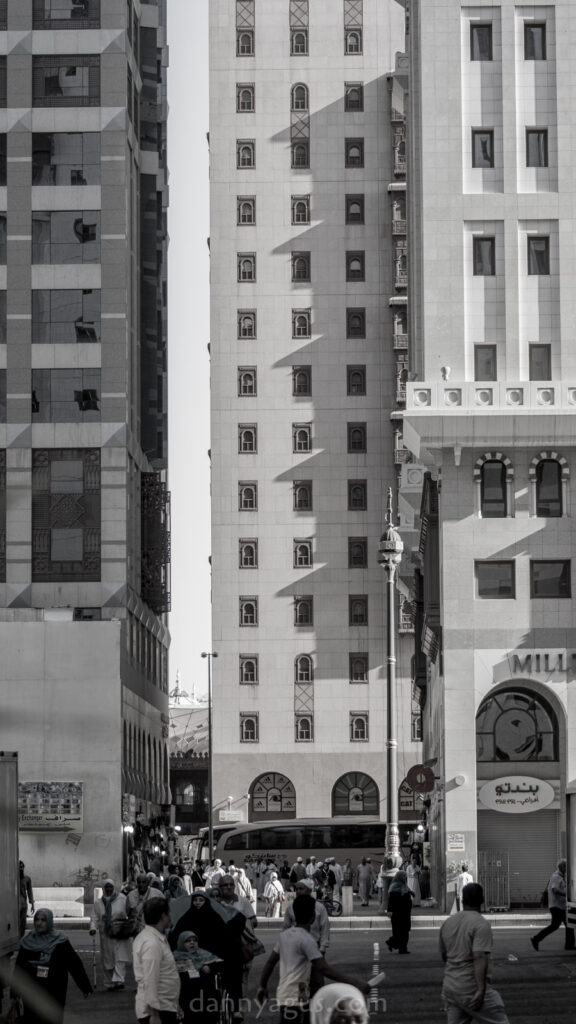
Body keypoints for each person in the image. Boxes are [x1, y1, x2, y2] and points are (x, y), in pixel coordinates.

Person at [257, 895, 370, 1024]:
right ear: (313, 917)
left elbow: (270, 962)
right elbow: (323, 968)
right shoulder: (307, 940)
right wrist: (355, 983)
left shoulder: (285, 936)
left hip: (285, 993)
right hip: (297, 997)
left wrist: (262, 985)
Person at [439, 882, 510, 1024]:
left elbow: (444, 955)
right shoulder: (480, 924)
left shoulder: (448, 923)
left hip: (450, 988)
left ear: (462, 900)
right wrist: (481, 989)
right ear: (482, 900)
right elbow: (479, 956)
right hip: (470, 988)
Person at [9, 908, 92, 1024]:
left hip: (54, 991)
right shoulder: (27, 941)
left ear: (50, 921)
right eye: (37, 919)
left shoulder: (60, 941)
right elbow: (19, 969)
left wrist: (84, 986)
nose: (39, 923)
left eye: (43, 920)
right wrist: (14, 994)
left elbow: (74, 964)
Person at [133, 897, 180, 1024]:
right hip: (156, 1010)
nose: (170, 917)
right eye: (168, 914)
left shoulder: (155, 937)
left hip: (166, 1006)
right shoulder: (151, 943)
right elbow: (150, 978)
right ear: (163, 916)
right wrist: (154, 1014)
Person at [283, 879, 330, 995]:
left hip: (316, 949)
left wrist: (322, 948)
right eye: (296, 889)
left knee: (317, 980)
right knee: (300, 983)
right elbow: (285, 928)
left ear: (309, 890)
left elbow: (325, 928)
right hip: (297, 951)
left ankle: (317, 1006)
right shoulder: (290, 908)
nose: (298, 891)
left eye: (301, 888)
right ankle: (303, 1008)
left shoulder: (319, 908)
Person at [89, 878, 132, 989]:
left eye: (110, 887)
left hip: (119, 931)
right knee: (107, 958)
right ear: (103, 888)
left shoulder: (122, 899)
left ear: (114, 887)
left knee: (119, 956)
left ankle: (119, 980)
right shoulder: (98, 903)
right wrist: (93, 927)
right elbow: (94, 917)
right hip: (106, 934)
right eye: (106, 887)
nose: (108, 889)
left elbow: (130, 912)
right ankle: (109, 982)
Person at [173, 931, 222, 1024]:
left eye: (194, 940)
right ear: (181, 943)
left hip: (205, 991)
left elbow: (217, 965)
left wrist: (207, 968)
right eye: (188, 941)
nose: (192, 943)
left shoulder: (204, 954)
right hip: (184, 992)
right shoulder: (175, 957)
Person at [531, 859, 575, 952]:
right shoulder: (556, 876)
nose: (567, 869)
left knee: (567, 925)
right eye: (565, 867)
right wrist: (566, 895)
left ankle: (569, 945)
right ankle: (536, 939)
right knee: (556, 925)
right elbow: (555, 889)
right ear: (561, 867)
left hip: (561, 906)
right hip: (556, 907)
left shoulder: (561, 876)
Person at [386, 870, 412, 954]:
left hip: (405, 913)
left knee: (405, 931)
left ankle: (402, 948)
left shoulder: (404, 886)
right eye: (404, 876)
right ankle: (394, 944)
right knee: (399, 932)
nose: (405, 878)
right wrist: (389, 911)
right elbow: (391, 901)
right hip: (398, 914)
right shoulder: (394, 887)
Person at [19, 861, 34, 938]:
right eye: (19, 868)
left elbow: (29, 891)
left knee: (23, 922)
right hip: (15, 904)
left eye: (22, 868)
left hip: (23, 904)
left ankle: (20, 938)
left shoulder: (27, 879)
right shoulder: (12, 878)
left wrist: (32, 904)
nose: (21, 869)